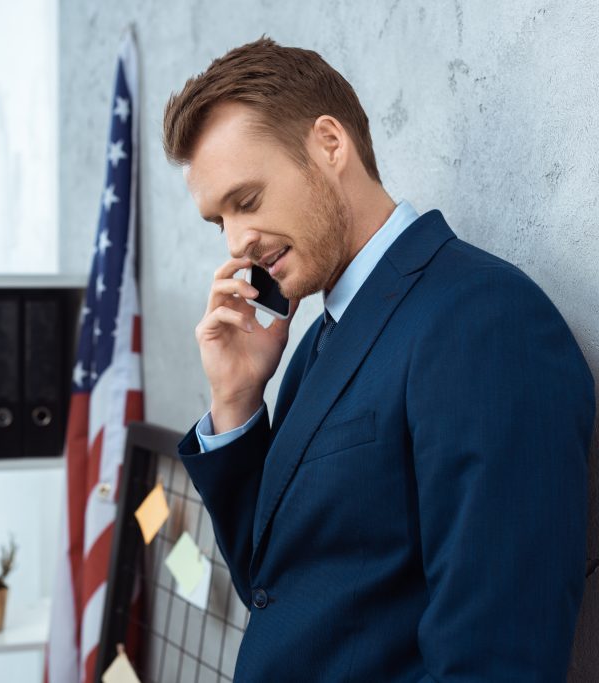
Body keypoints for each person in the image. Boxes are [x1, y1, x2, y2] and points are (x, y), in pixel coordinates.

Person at [165, 36, 595, 681]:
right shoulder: (313, 342)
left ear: (330, 144)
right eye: (216, 220)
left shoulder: (484, 320)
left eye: (247, 201)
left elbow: (499, 654)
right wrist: (237, 402)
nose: (236, 242)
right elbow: (281, 584)